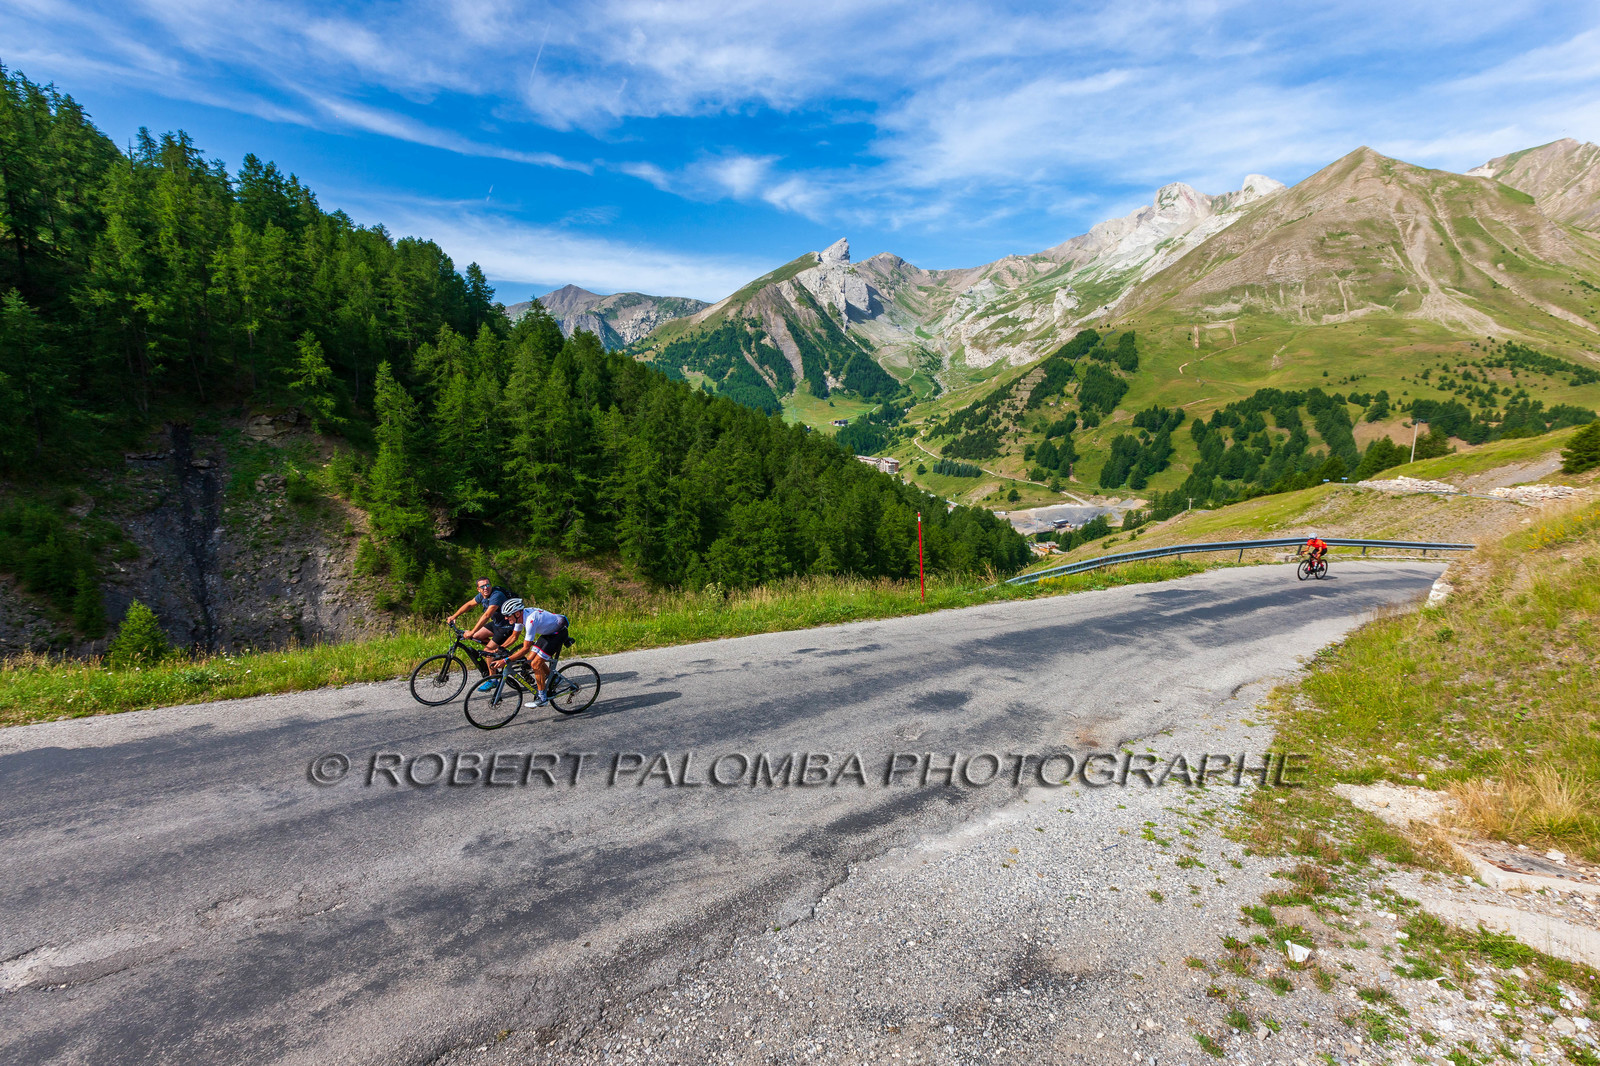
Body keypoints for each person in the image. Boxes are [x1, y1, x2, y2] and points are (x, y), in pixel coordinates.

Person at [488, 598, 569, 705]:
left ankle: (542, 698)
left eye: (508, 615)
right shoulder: (519, 617)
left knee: (536, 664)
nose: (506, 618)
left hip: (558, 634)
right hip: (548, 633)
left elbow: (526, 648)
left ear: (517, 613)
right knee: (530, 660)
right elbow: (514, 637)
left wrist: (506, 660)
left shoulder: (530, 620)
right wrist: (499, 649)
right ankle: (555, 678)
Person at [448, 578, 513, 654]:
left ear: (491, 586)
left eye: (488, 585)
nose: (486, 588)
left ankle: (494, 659)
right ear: (478, 589)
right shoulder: (482, 595)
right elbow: (469, 604)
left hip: (507, 626)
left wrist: (472, 632)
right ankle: (501, 652)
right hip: (497, 624)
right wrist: (454, 616)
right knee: (475, 636)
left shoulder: (496, 595)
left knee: (487, 652)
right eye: (482, 586)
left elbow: (487, 615)